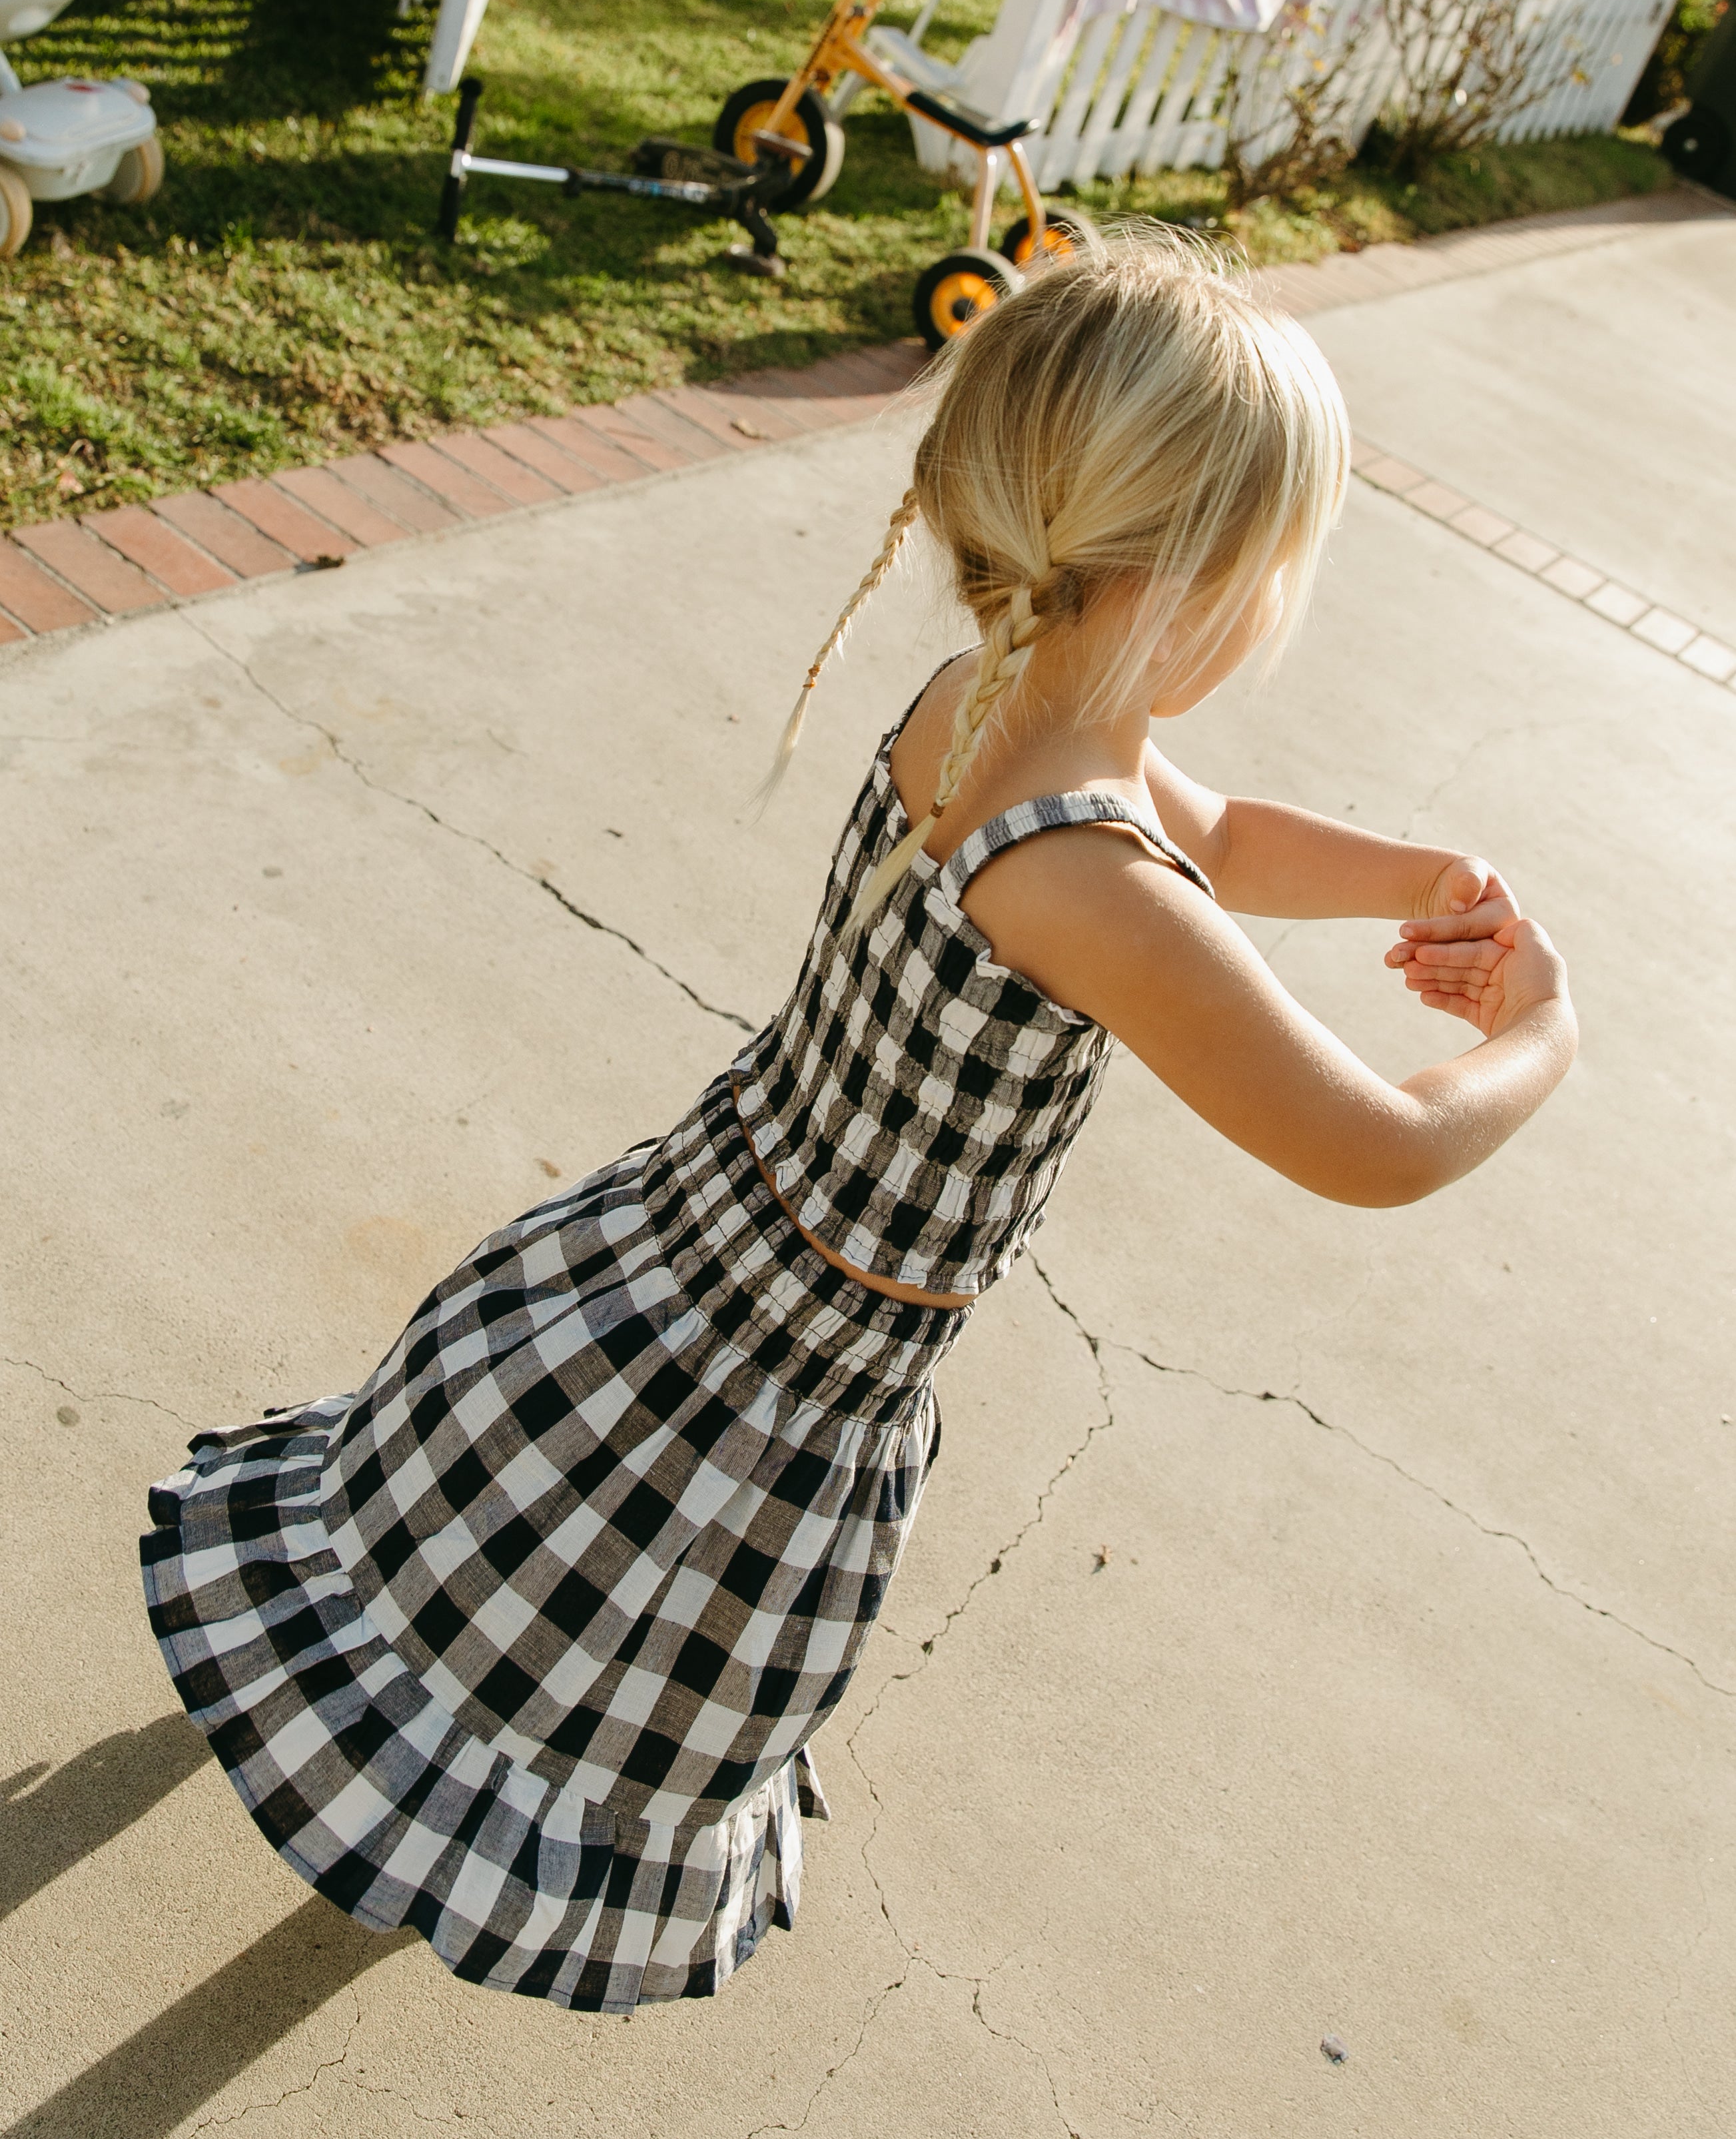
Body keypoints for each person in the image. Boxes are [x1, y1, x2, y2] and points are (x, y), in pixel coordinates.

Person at [141, 232, 1575, 2015]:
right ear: (1202, 574)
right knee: (583, 1668)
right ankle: (413, 1853)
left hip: (688, 1233)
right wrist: (1541, 1036)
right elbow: (1377, 1143)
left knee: (469, 1563)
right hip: (781, 1374)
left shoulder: (996, 691)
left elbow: (1239, 834)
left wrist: (1426, 877)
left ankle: (385, 1779)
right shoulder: (1096, 891)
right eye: (1288, 567)